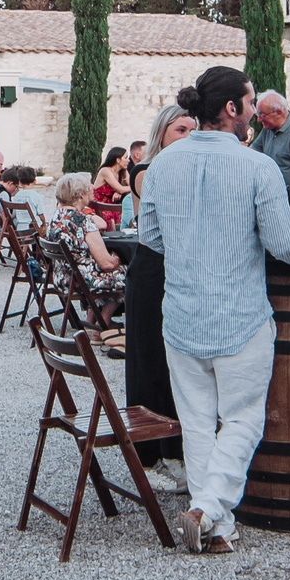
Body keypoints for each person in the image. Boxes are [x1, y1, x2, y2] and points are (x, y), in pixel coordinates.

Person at [138, 66, 290, 556]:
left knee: (198, 423)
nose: (254, 114)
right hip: (240, 315)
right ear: (231, 109)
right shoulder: (258, 168)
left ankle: (216, 527)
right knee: (243, 420)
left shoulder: (160, 165)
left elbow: (151, 239)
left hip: (182, 314)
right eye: (249, 103)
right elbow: (284, 246)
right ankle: (209, 510)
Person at [121, 103, 197, 486]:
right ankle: (153, 456)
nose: (187, 137)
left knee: (175, 364)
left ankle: (175, 450)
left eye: (193, 131)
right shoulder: (147, 171)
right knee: (151, 361)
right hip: (153, 270)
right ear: (162, 133)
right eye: (180, 130)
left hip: (175, 268)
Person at [44, 173, 126, 310]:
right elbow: (107, 264)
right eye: (89, 188)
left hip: (62, 278)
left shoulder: (56, 218)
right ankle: (103, 321)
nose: (92, 190)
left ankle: (94, 320)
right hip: (83, 282)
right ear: (81, 195)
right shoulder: (83, 222)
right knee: (130, 275)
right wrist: (118, 257)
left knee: (110, 273)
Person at [245, 91, 290, 202]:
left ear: (278, 113)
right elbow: (253, 151)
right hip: (269, 196)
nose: (259, 120)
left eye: (262, 115)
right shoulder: (268, 128)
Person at [89, 146, 128, 226]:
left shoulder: (122, 172)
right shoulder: (105, 171)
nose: (128, 160)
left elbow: (130, 185)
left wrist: (119, 192)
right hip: (99, 207)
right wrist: (121, 191)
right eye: (126, 158)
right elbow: (123, 189)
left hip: (111, 207)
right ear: (118, 160)